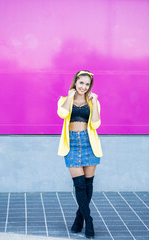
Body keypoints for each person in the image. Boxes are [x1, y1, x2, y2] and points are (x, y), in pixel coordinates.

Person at [57, 70, 103, 239]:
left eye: (87, 84)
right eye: (81, 83)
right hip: (72, 145)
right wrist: (69, 97)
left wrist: (95, 101)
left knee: (88, 184)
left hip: (89, 144)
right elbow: (62, 114)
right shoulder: (63, 100)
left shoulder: (93, 102)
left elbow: (96, 124)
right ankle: (88, 219)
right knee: (79, 185)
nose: (84, 87)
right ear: (75, 82)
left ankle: (79, 218)